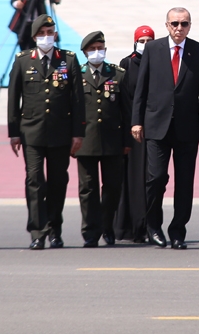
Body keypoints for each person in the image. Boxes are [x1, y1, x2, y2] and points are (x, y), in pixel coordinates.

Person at [131, 7, 199, 250]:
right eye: (175, 24)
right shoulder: (153, 49)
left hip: (187, 128)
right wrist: (136, 121)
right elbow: (142, 89)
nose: (179, 28)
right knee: (156, 178)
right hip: (157, 126)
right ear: (167, 25)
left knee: (185, 182)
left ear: (190, 26)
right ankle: (153, 225)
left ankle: (178, 230)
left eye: (184, 24)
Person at [7, 14, 84, 250]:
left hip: (61, 132)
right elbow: (13, 98)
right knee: (35, 180)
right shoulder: (22, 61)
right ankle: (37, 232)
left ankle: (55, 230)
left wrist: (78, 133)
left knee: (58, 182)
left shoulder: (68, 60)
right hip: (32, 132)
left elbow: (78, 100)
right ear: (34, 37)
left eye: (50, 33)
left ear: (56, 35)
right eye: (41, 34)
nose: (46, 37)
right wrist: (14, 132)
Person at [75, 31, 132, 247]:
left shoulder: (118, 74)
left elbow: (126, 110)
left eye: (100, 48)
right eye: (92, 49)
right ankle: (90, 231)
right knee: (87, 188)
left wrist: (127, 141)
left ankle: (107, 226)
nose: (97, 52)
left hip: (113, 141)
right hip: (86, 140)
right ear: (85, 52)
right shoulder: (77, 74)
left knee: (112, 187)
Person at [114, 25, 155, 243]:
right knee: (129, 179)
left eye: (150, 41)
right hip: (131, 130)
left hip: (153, 130)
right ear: (135, 42)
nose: (145, 45)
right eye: (142, 41)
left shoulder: (160, 63)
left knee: (150, 179)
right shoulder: (126, 64)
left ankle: (147, 227)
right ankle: (126, 228)